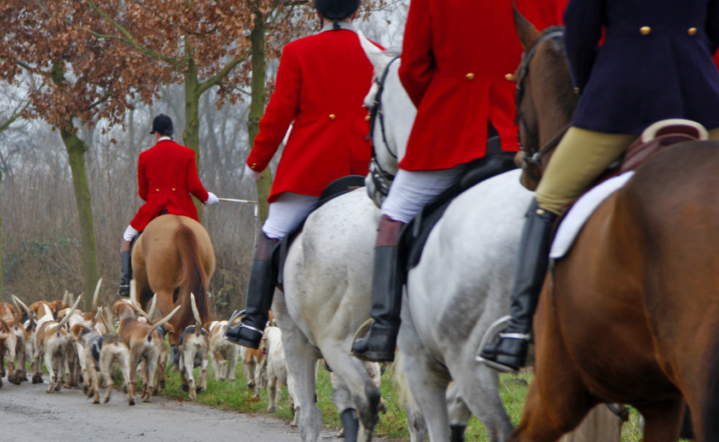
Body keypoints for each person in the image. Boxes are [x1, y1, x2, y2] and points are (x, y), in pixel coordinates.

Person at [478, 0, 719, 372]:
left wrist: (592, 87)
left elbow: (580, 33)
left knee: (548, 198)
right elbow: (713, 28)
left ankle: (518, 330)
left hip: (621, 97)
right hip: (698, 96)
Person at [350, 0, 524, 362]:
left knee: (394, 212)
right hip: (520, 127)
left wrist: (440, 107)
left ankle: (383, 328)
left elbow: (413, 69)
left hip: (454, 127)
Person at [225, 0, 376, 349]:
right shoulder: (377, 53)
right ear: (355, 12)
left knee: (272, 232)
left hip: (313, 171)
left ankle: (253, 321)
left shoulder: (298, 52)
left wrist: (256, 163)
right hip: (366, 172)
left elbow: (279, 114)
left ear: (317, 12)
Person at [119, 114, 218, 297]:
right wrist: (207, 198)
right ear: (172, 133)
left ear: (156, 134)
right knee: (199, 238)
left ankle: (126, 282)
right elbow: (194, 186)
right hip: (182, 207)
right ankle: (204, 287)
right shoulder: (187, 153)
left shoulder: (145, 157)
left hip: (154, 208)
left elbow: (143, 192)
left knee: (128, 235)